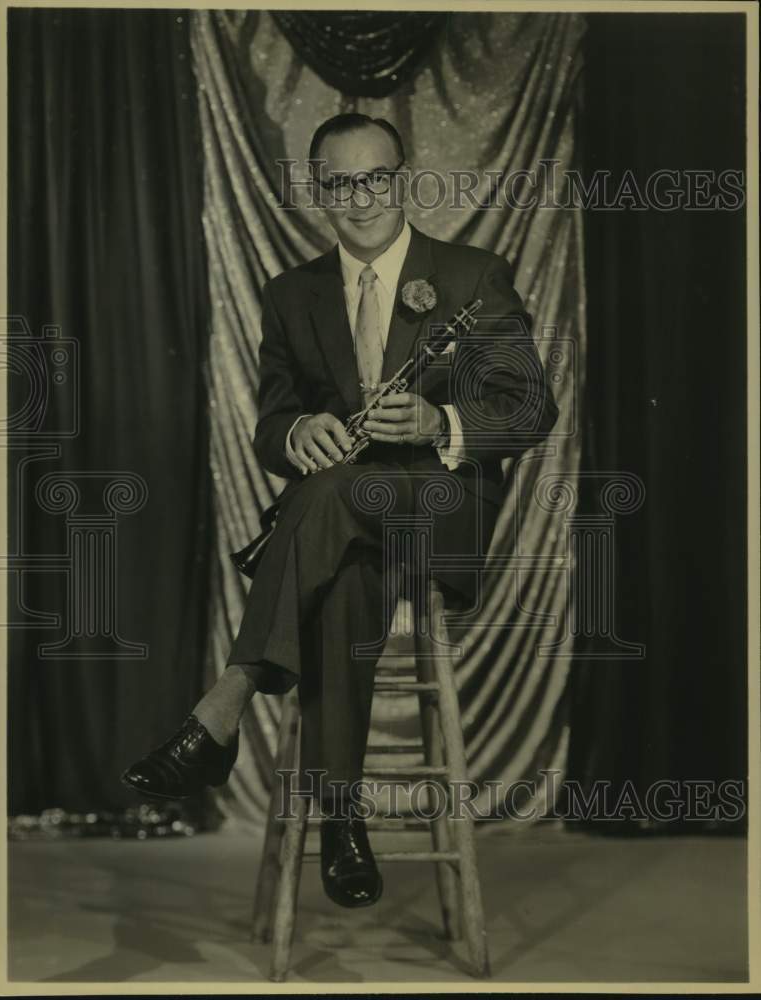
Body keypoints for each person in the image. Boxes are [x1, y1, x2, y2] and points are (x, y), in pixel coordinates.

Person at [121, 113, 559, 909]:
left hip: (439, 505)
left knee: (328, 505)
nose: (359, 199)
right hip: (337, 524)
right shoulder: (292, 294)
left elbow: (531, 408)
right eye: (338, 184)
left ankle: (227, 699)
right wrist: (297, 431)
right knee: (340, 566)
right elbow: (268, 424)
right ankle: (341, 820)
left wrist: (440, 424)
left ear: (403, 177)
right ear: (317, 190)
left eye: (375, 179)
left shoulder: (470, 274)